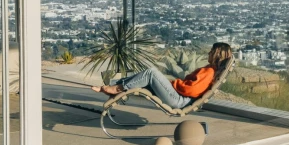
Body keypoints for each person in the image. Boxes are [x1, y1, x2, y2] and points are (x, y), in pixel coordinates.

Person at [92, 42, 232, 109]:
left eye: (211, 51)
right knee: (144, 77)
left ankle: (116, 88)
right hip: (180, 97)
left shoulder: (209, 71)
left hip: (179, 100)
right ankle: (113, 86)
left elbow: (191, 89)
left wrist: (174, 84)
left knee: (151, 73)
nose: (208, 53)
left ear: (216, 55)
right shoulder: (210, 70)